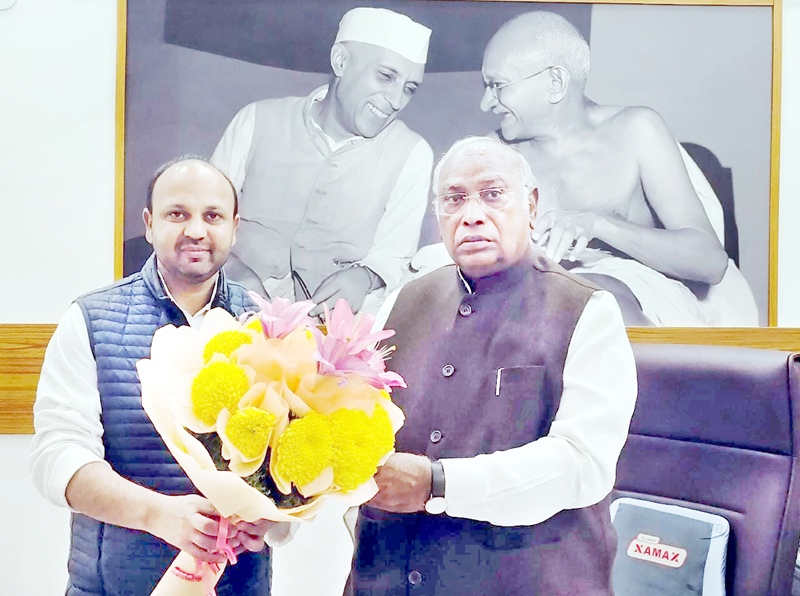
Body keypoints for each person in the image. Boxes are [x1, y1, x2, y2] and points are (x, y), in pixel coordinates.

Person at [348, 136, 637, 595]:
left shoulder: (587, 311)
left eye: (493, 193)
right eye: (455, 199)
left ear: (532, 206)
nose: (472, 213)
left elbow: (582, 465)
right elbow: (353, 428)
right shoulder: (399, 303)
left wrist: (438, 484)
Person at [29, 157, 286, 596]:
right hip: (112, 587)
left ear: (234, 227)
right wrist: (159, 515)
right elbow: (58, 458)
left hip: (240, 586)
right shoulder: (91, 320)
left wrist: (272, 522)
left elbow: (292, 466)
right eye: (177, 214)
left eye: (212, 216)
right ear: (149, 224)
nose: (196, 231)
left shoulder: (269, 327)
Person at [478, 11, 758, 326]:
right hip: (540, 311)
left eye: (497, 85)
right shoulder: (495, 155)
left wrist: (597, 225)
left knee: (596, 304)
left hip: (642, 300)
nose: (485, 103)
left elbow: (709, 262)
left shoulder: (635, 130)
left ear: (555, 82)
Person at [211, 6, 433, 317]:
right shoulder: (257, 120)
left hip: (335, 335)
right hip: (230, 315)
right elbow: (204, 221)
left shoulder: (413, 153)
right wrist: (237, 274)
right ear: (340, 61)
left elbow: (395, 257)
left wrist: (365, 276)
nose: (396, 101)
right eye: (385, 76)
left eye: (409, 89)